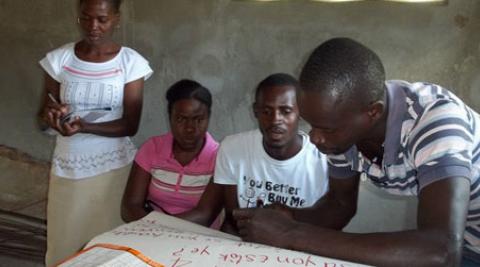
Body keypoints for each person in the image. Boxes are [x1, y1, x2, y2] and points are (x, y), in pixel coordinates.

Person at [233, 38, 480, 267]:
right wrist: (290, 219)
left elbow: (442, 251)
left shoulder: (436, 123)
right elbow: (340, 205)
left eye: (326, 128)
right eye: (312, 124)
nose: (315, 138)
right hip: (462, 240)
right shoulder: (342, 130)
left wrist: (291, 233)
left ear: (372, 112)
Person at [38, 0, 153, 265]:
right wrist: (52, 118)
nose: (93, 26)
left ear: (116, 18)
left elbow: (130, 125)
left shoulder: (130, 62)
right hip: (69, 167)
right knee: (63, 246)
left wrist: (85, 126)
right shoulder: (59, 60)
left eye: (102, 19)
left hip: (113, 169)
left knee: (109, 248)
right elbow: (42, 116)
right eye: (86, 18)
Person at [178, 73, 329, 233]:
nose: (275, 119)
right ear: (256, 111)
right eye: (266, 111)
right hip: (242, 246)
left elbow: (321, 228)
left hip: (296, 251)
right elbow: (232, 218)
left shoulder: (321, 160)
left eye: (286, 111)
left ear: (301, 112)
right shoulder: (233, 148)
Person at [121, 79, 222, 228]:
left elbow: (204, 215)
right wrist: (154, 231)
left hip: (200, 239)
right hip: (150, 233)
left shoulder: (219, 157)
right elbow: (130, 207)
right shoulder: (152, 148)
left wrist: (158, 227)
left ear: (208, 118)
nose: (190, 128)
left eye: (199, 119)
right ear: (170, 117)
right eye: (181, 119)